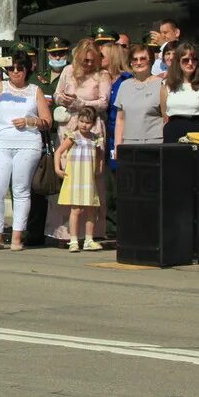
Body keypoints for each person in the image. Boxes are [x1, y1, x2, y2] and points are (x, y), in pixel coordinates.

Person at [0, 51, 51, 251]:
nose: (15, 72)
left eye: (19, 68)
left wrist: (29, 121)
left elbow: (47, 121)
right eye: (11, 68)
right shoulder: (0, 87)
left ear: (27, 70)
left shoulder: (35, 90)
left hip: (27, 143)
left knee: (20, 189)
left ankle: (17, 236)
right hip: (0, 143)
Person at [48, 38, 110, 244]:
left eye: (92, 61)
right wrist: (62, 99)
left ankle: (92, 232)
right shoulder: (67, 71)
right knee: (70, 175)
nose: (88, 64)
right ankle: (67, 232)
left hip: (91, 125)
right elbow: (56, 94)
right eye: (84, 60)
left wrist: (81, 103)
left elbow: (103, 102)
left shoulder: (102, 75)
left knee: (91, 177)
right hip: (69, 126)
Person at [28, 36, 71, 245]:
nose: (58, 57)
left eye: (61, 53)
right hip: (43, 136)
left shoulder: (72, 76)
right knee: (39, 184)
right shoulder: (38, 79)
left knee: (64, 183)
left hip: (64, 134)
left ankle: (64, 233)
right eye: (54, 54)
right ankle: (35, 232)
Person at [54, 105, 105, 252]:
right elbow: (59, 152)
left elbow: (100, 154)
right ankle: (74, 240)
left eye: (88, 122)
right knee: (75, 209)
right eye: (82, 121)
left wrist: (99, 166)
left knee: (91, 209)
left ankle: (89, 239)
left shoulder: (95, 139)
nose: (84, 124)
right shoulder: (73, 136)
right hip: (75, 178)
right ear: (78, 121)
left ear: (93, 123)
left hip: (88, 179)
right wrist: (58, 168)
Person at [160, 42, 199, 142]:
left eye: (194, 59)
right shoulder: (166, 84)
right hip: (173, 132)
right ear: (178, 62)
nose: (190, 63)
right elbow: (164, 114)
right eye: (185, 60)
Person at [100, 41, 130, 239]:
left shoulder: (127, 80)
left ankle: (122, 225)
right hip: (104, 133)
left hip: (121, 132)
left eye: (103, 56)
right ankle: (109, 225)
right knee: (108, 183)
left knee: (120, 181)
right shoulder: (102, 79)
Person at [113, 44, 164, 152]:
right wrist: (117, 145)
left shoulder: (161, 85)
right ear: (130, 62)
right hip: (128, 144)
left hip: (155, 144)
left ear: (151, 60)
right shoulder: (124, 85)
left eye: (143, 58)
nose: (139, 62)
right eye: (135, 59)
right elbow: (120, 119)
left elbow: (166, 118)